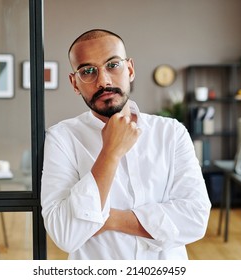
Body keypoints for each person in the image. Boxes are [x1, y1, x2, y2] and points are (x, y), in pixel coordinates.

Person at [41, 29, 211, 260]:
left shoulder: (171, 133)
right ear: (74, 83)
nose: (103, 81)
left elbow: (195, 219)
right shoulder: (61, 138)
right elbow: (66, 235)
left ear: (130, 69)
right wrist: (110, 153)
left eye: (113, 65)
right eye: (88, 71)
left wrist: (108, 219)